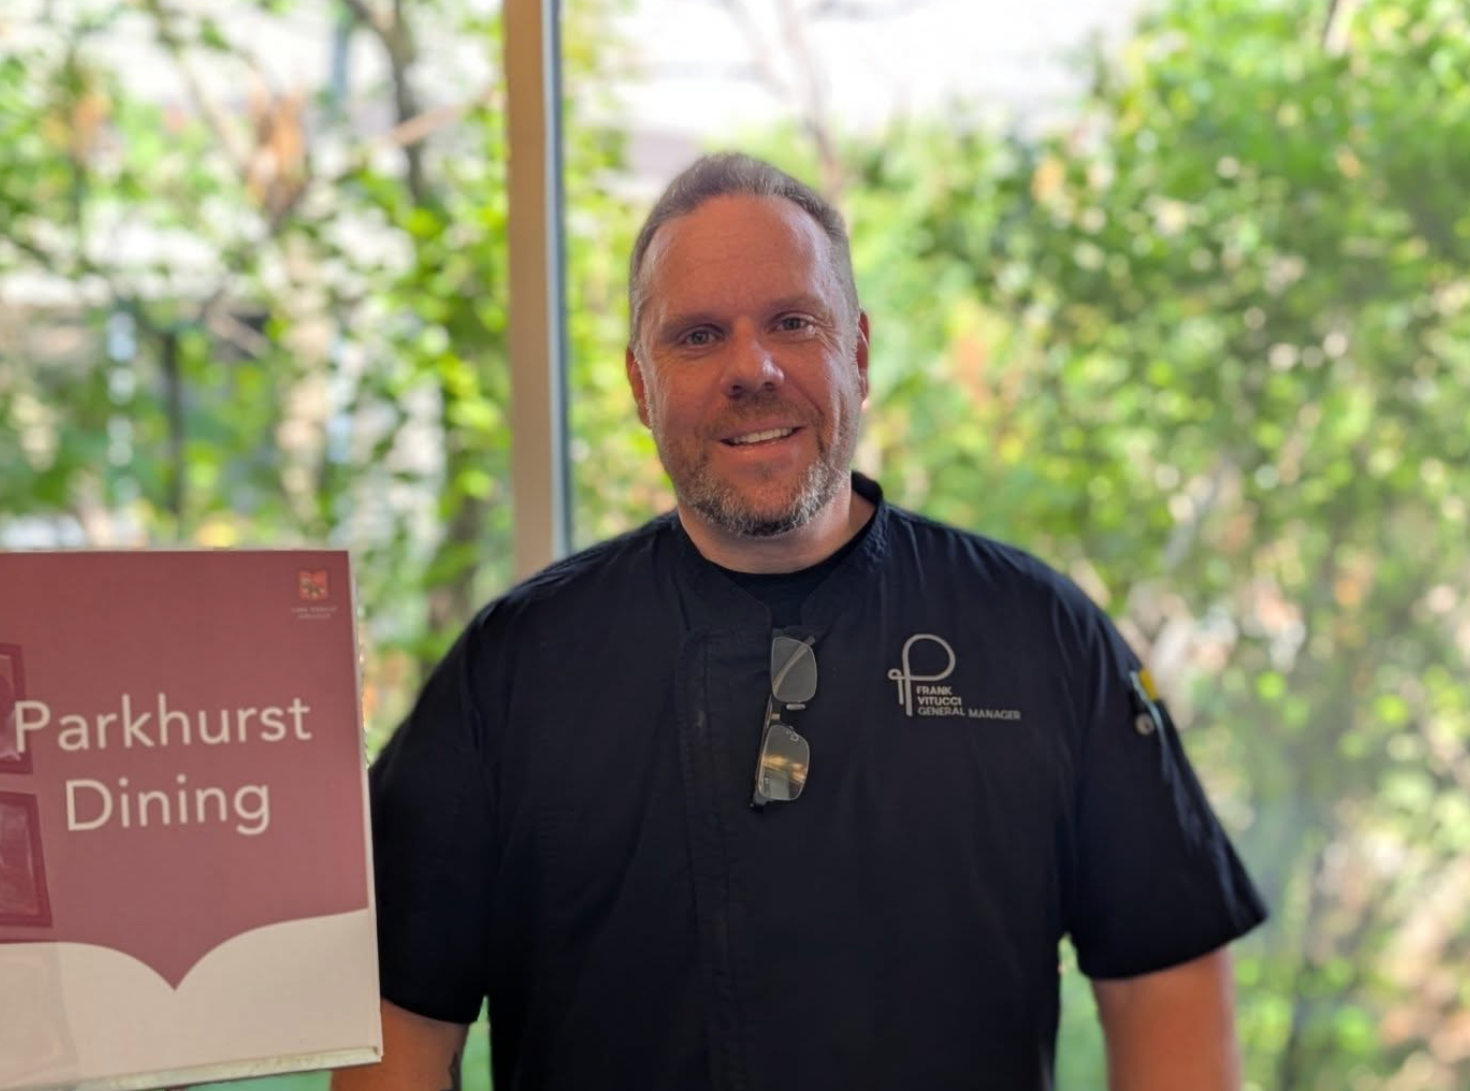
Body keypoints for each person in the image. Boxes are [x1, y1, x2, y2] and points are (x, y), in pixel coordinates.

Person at [334, 152, 1267, 1091]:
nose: (754, 368)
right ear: (638, 383)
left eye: (792, 322)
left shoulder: (1039, 637)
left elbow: (1167, 988)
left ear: (856, 351)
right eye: (697, 336)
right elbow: (400, 1031)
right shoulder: (515, 668)